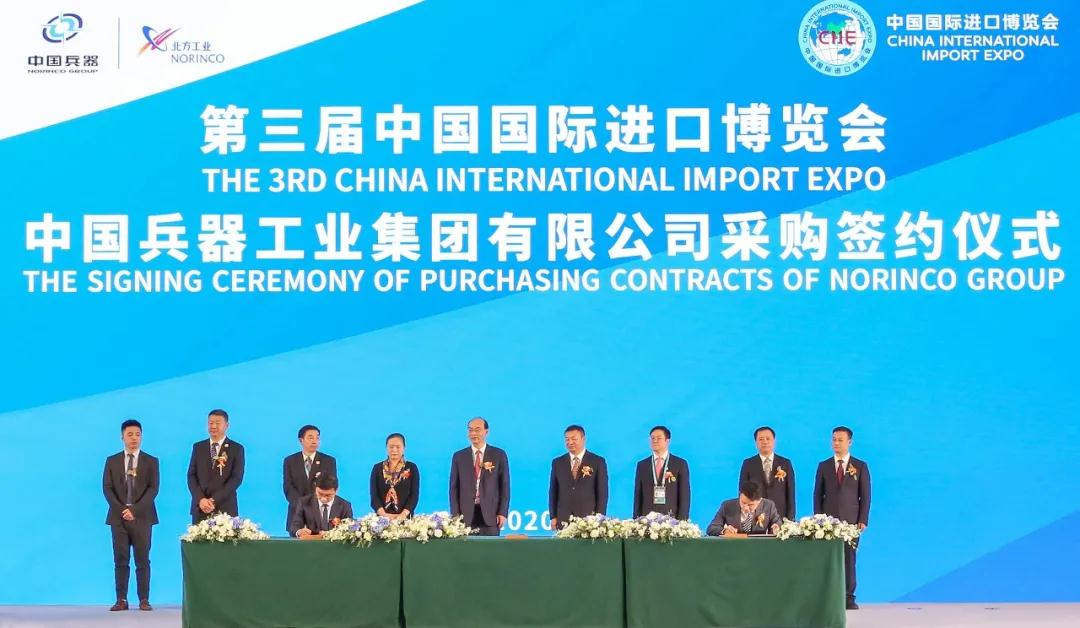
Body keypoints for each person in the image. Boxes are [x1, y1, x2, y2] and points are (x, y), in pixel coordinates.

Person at [102, 419, 159, 612]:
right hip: (118, 517)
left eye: (137, 434)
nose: (134, 438)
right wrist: (122, 510)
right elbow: (107, 488)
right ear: (122, 437)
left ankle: (144, 599)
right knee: (121, 559)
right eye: (130, 434)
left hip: (142, 517)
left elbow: (153, 489)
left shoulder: (151, 461)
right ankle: (121, 599)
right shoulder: (112, 461)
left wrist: (134, 510)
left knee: (143, 560)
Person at [813, 426, 872, 610]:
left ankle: (848, 597)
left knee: (849, 559)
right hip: (827, 524)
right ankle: (828, 596)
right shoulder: (824, 466)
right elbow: (818, 494)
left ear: (849, 442)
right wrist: (818, 520)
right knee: (827, 560)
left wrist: (862, 519)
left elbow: (865, 495)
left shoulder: (860, 466)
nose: (836, 443)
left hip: (851, 522)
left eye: (840, 440)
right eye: (834, 439)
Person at [449, 417, 510, 536]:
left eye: (477, 430)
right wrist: (455, 515)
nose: (473, 433)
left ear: (486, 431)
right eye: (470, 430)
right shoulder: (459, 456)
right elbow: (454, 488)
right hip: (465, 516)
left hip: (491, 515)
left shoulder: (498, 455)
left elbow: (504, 486)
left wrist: (502, 512)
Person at [186, 409, 245, 523]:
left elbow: (236, 479)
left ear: (227, 425)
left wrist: (213, 500)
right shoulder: (198, 447)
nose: (213, 426)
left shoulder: (236, 449)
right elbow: (191, 475)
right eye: (210, 423)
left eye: (217, 423)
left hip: (225, 508)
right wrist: (201, 499)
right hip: (200, 508)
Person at [548, 424, 608, 529]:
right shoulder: (558, 462)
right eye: (567, 439)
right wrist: (553, 516)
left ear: (583, 439)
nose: (570, 442)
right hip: (564, 519)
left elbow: (602, 492)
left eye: (574, 439)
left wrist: (599, 518)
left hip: (589, 520)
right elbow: (553, 491)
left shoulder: (597, 462)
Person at [283, 424, 338, 530]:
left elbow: (332, 485)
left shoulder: (328, 461)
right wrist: (302, 507)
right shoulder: (290, 461)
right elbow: (288, 487)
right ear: (301, 440)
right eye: (310, 437)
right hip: (297, 514)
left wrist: (316, 505)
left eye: (317, 438)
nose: (314, 441)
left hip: (321, 512)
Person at [633, 425, 690, 520]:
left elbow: (684, 495)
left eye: (659, 438)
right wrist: (636, 519)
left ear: (667, 441)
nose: (655, 441)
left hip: (672, 519)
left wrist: (682, 520)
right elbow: (638, 496)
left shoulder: (679, 464)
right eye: (652, 438)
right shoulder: (642, 465)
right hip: (647, 519)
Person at [739, 426, 796, 520]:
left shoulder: (785, 463)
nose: (765, 442)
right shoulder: (748, 464)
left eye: (768, 439)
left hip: (780, 516)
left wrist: (790, 519)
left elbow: (790, 493)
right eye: (761, 439)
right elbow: (742, 492)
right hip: (755, 516)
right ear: (756, 442)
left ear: (774, 441)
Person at [370, 432, 419, 519]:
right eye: (391, 447)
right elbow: (374, 495)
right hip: (382, 519)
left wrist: (403, 515)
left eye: (398, 447)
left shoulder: (412, 467)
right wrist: (384, 515)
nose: (394, 450)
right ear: (386, 448)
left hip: (405, 518)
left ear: (404, 448)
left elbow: (414, 495)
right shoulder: (377, 468)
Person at [706, 481, 781, 536]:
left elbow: (778, 525)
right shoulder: (727, 506)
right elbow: (711, 528)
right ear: (740, 494)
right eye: (743, 503)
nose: (746, 508)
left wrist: (776, 529)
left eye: (751, 505)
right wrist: (724, 531)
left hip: (759, 547)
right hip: (735, 547)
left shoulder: (769, 506)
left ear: (760, 501)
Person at [289, 475, 354, 537]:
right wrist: (299, 532)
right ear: (315, 488)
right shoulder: (304, 502)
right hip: (312, 542)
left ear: (336, 491)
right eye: (320, 494)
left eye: (328, 495)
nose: (323, 499)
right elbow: (294, 527)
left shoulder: (345, 505)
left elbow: (349, 529)